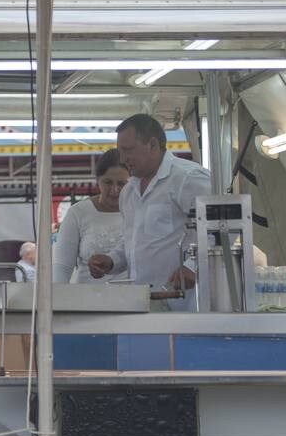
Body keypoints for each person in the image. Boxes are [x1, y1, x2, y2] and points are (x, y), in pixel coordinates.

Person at [88, 114, 212, 307]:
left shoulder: (188, 178)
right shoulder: (129, 191)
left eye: (128, 150)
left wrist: (193, 267)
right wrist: (111, 260)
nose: (123, 158)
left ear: (153, 144)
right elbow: (132, 239)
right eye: (120, 151)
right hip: (144, 304)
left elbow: (220, 230)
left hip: (188, 305)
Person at [54, 148, 130, 283]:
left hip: (132, 298)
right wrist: (55, 300)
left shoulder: (140, 211)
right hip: (86, 299)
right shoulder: (78, 213)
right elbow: (62, 267)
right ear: (97, 180)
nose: (115, 190)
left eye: (122, 183)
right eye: (108, 182)